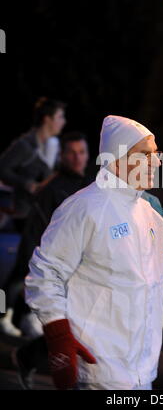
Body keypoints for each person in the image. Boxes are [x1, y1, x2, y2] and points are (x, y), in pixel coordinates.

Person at [25, 115, 163, 391]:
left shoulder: (147, 206)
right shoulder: (84, 208)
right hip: (100, 368)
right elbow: (45, 274)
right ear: (116, 159)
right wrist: (58, 336)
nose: (157, 161)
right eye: (145, 154)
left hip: (142, 370)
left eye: (156, 154)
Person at [0, 132, 91, 339]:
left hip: (72, 258)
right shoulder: (53, 188)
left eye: (82, 152)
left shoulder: (88, 184)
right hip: (50, 255)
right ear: (62, 156)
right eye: (72, 153)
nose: (77, 157)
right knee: (16, 284)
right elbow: (39, 227)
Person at [0, 97, 66, 226]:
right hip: (24, 217)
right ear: (47, 119)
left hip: (45, 216)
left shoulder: (55, 147)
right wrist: (26, 183)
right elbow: (2, 169)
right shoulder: (25, 146)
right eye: (60, 117)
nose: (63, 121)